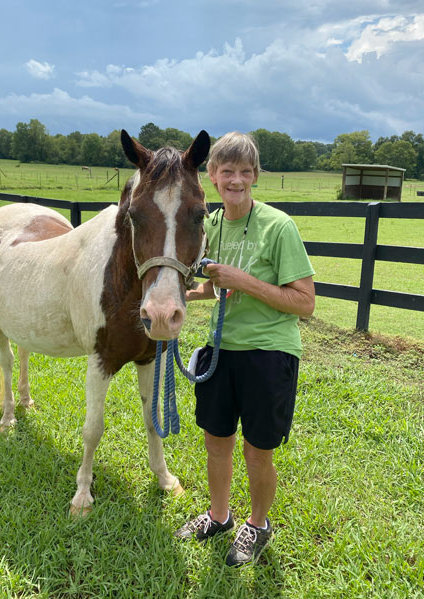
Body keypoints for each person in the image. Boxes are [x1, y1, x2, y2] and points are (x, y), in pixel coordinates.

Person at [174, 132, 315, 567]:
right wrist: (177, 298)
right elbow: (212, 289)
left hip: (269, 352)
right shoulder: (210, 225)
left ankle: (257, 525)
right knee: (216, 440)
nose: (236, 179)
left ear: (255, 177)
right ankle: (219, 516)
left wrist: (244, 281)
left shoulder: (279, 226)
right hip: (221, 349)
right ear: (212, 176)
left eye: (245, 172)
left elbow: (305, 303)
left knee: (258, 448)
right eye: (227, 171)